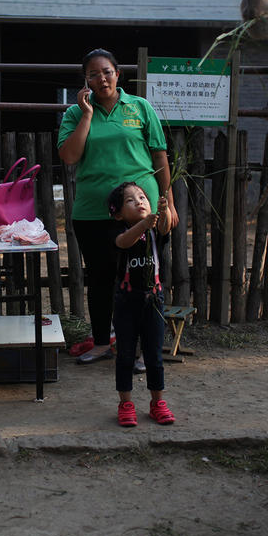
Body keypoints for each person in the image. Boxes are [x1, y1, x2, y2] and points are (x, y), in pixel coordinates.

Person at [58, 48, 178, 365]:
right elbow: (69, 157)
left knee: (145, 279)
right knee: (100, 278)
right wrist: (86, 115)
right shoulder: (74, 113)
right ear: (86, 81)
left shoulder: (140, 107)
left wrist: (169, 202)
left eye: (107, 71)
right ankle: (101, 342)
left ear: (118, 73)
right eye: (93, 74)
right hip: (92, 210)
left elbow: (159, 155)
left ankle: (143, 349)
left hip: (140, 210)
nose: (102, 79)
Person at [106, 182, 176, 427]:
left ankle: (157, 403)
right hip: (127, 301)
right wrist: (143, 225)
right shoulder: (118, 230)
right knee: (125, 354)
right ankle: (125, 403)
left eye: (143, 197)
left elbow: (166, 227)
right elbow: (124, 242)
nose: (139, 201)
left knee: (154, 356)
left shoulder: (156, 230)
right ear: (118, 213)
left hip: (154, 299)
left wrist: (164, 209)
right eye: (130, 200)